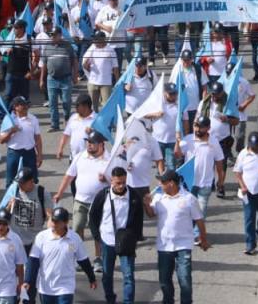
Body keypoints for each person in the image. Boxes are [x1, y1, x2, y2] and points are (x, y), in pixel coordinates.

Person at [144, 169, 210, 304]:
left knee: (184, 279)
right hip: (164, 246)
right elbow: (151, 214)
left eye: (162, 182)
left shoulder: (189, 199)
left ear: (171, 183)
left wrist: (203, 239)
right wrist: (146, 204)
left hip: (183, 245)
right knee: (164, 280)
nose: (160, 185)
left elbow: (199, 220)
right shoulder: (159, 198)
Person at [53, 130, 111, 270]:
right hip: (80, 200)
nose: (89, 145)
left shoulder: (109, 160)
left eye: (92, 143)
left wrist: (107, 179)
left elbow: (118, 182)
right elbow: (69, 176)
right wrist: (59, 193)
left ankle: (98, 258)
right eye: (88, 142)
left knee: (97, 231)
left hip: (99, 203)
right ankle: (79, 258)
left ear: (101, 144)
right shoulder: (80, 156)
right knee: (77, 228)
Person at [89, 167, 145, 304]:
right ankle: (110, 299)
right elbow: (93, 217)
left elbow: (139, 218)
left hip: (126, 242)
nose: (121, 186)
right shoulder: (103, 195)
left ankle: (128, 301)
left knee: (128, 275)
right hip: (107, 241)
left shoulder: (133, 195)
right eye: (117, 183)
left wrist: (135, 237)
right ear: (111, 181)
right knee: (107, 276)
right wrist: (98, 237)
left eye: (123, 182)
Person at [23, 207, 98, 304]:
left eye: (57, 221)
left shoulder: (74, 238)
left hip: (66, 287)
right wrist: (28, 281)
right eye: (53, 220)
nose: (54, 224)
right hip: (46, 287)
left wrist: (92, 278)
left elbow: (83, 260)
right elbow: (33, 261)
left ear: (66, 222)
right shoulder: (41, 237)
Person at [174, 117, 223, 222]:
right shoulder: (188, 139)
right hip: (189, 182)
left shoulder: (214, 142)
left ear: (208, 128)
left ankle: (197, 236)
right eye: (196, 126)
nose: (197, 129)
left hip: (206, 183)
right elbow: (177, 154)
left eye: (201, 127)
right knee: (189, 212)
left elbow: (219, 163)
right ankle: (191, 233)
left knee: (200, 213)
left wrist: (220, 180)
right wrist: (177, 142)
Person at [40, 27, 79, 132]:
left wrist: (75, 75)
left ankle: (67, 119)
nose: (52, 36)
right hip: (51, 79)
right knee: (52, 103)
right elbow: (44, 64)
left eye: (54, 35)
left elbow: (75, 61)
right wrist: (41, 79)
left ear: (60, 35)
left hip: (66, 78)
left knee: (66, 101)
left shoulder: (67, 46)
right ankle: (54, 124)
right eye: (51, 34)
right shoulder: (47, 47)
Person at [0, 96, 43, 185]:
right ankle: (12, 198)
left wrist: (39, 155)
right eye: (23, 105)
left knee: (32, 180)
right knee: (11, 181)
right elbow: (1, 140)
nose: (26, 107)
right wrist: (11, 131)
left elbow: (37, 138)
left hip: (29, 153)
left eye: (27, 104)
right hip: (14, 154)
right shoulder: (8, 120)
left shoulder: (33, 119)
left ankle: (32, 198)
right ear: (16, 107)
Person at [5, 167, 48, 254]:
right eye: (19, 182)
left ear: (31, 181)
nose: (20, 185)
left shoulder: (42, 192)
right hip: (15, 240)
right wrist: (9, 205)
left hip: (34, 242)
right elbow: (2, 215)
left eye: (23, 183)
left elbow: (49, 216)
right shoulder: (13, 190)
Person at [83, 31, 119, 112]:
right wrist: (86, 65)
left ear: (103, 39)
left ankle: (107, 124)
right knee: (93, 107)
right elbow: (85, 66)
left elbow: (115, 68)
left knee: (106, 107)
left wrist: (117, 82)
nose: (94, 41)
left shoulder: (110, 51)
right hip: (93, 82)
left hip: (106, 83)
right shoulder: (92, 49)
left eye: (96, 39)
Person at [3, 20, 33, 106]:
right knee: (8, 95)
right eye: (14, 28)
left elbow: (36, 56)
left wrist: (31, 72)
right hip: (11, 72)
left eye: (16, 28)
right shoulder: (10, 38)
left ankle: (23, 116)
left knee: (24, 98)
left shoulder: (29, 39)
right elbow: (2, 50)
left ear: (22, 29)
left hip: (24, 74)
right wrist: (6, 50)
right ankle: (5, 116)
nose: (14, 30)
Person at [57, 94, 96, 161]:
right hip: (73, 158)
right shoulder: (73, 117)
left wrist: (93, 133)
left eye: (78, 106)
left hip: (90, 159)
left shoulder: (96, 119)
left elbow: (104, 138)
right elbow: (66, 135)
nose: (76, 108)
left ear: (86, 106)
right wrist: (60, 149)